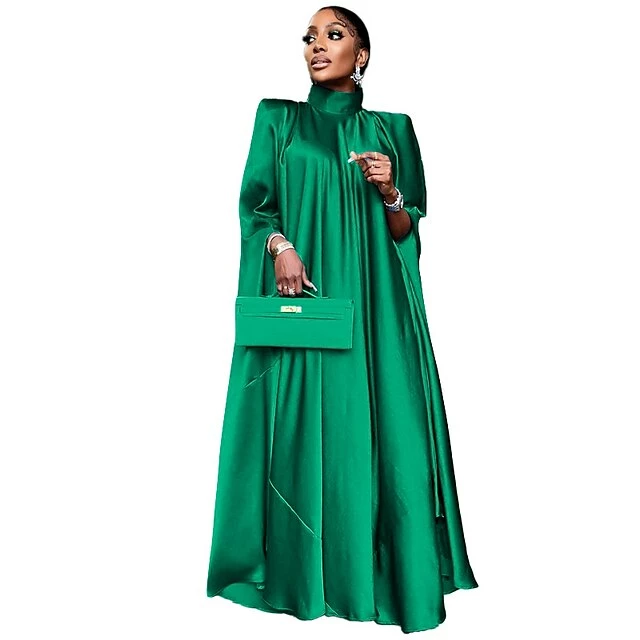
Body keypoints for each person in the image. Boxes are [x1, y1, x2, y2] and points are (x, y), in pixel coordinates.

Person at [206, 5, 478, 633]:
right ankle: (298, 577)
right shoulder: (278, 119)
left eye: (334, 35)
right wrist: (280, 247)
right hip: (310, 305)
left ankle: (384, 579)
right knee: (300, 427)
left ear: (363, 55)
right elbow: (255, 206)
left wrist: (391, 192)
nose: (316, 46)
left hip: (375, 312)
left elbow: (405, 234)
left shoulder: (393, 129)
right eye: (309, 37)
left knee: (385, 431)